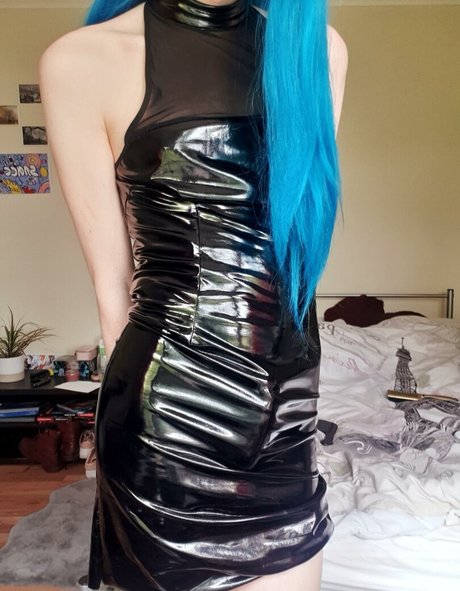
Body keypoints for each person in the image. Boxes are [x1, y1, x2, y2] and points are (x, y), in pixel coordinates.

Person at [39, 1, 348, 590]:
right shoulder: (82, 61)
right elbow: (114, 288)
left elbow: (293, 254)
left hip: (288, 414)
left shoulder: (316, 50)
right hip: (170, 412)